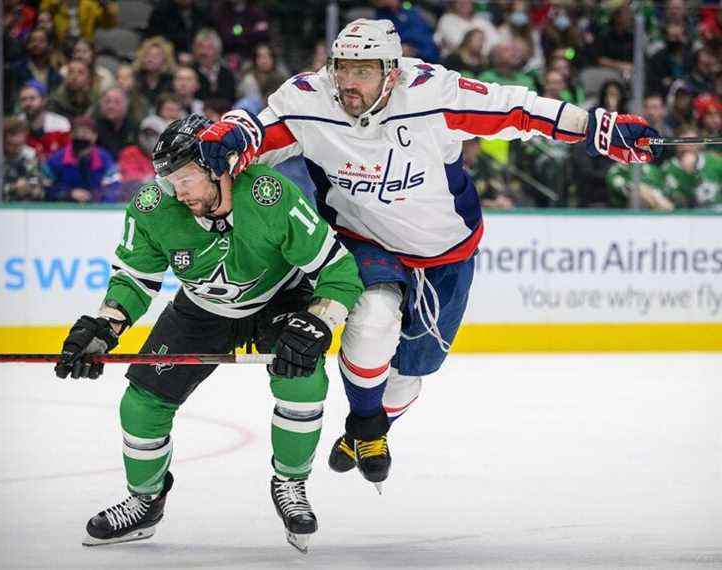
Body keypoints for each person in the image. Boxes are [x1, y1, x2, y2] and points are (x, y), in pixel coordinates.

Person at [195, 18, 661, 490]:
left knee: (414, 371)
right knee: (373, 320)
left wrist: (596, 126)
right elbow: (256, 130)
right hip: (363, 237)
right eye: (342, 68)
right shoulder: (310, 98)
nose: (348, 82)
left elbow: (516, 110)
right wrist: (227, 137)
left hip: (445, 249)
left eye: (363, 71)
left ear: (392, 72)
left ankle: (371, 427)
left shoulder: (435, 94)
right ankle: (367, 427)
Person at [53, 114, 363, 552]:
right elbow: (135, 280)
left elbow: (338, 269)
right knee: (141, 406)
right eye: (168, 179)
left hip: (279, 298)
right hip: (200, 309)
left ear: (222, 168)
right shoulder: (153, 207)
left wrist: (318, 321)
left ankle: (291, 483)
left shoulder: (269, 195)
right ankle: (145, 502)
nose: (176, 192)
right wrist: (105, 326)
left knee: (304, 379)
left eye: (186, 178)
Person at [42, 115, 121, 202]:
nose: (80, 136)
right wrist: (68, 194)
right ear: (71, 135)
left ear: (95, 136)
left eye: (85, 133)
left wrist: (94, 196)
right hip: (64, 209)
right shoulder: (56, 159)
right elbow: (45, 187)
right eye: (76, 133)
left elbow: (114, 189)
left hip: (96, 210)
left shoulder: (105, 159)